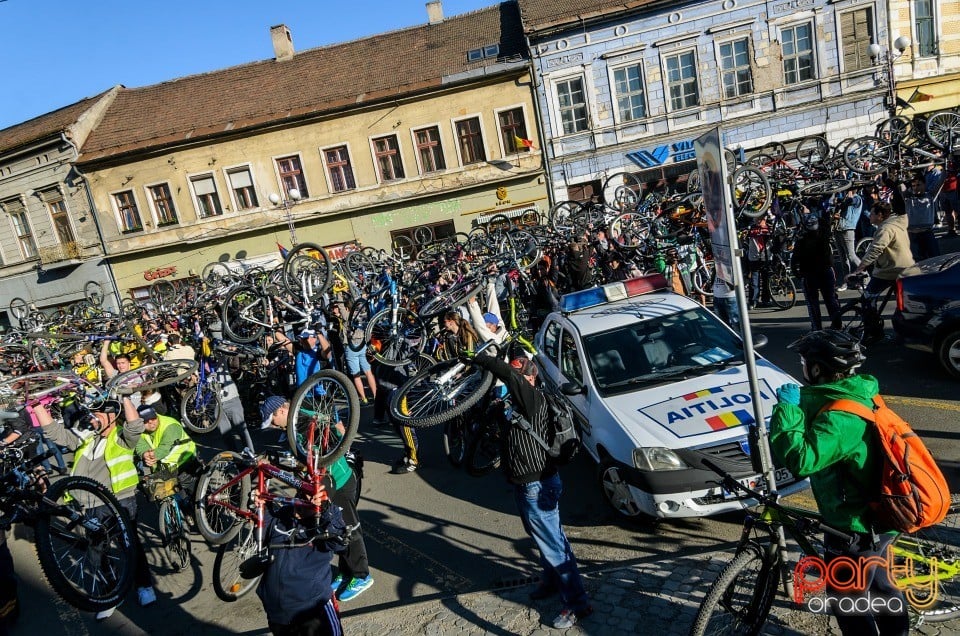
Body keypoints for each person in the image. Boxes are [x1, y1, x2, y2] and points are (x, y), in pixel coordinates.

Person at [769, 330, 908, 636]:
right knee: (883, 588)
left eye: (805, 361)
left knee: (848, 602)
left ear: (817, 368)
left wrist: (787, 411)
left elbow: (804, 459)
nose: (802, 366)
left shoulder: (840, 419)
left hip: (853, 526)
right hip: (877, 518)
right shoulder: (857, 393)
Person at [469, 353, 592, 630]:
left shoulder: (534, 399)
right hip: (527, 485)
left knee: (554, 547)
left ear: (531, 377)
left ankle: (577, 604)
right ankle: (550, 581)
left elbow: (510, 377)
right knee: (549, 540)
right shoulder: (516, 402)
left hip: (538, 485)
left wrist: (486, 360)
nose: (515, 381)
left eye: (521, 375)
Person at [34, 397, 156, 619]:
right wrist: (36, 406)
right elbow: (55, 433)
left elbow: (135, 424)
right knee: (96, 550)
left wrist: (125, 396)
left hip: (119, 501)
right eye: (93, 412)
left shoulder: (122, 438)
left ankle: (144, 586)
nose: (94, 416)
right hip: (89, 504)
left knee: (130, 546)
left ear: (112, 417)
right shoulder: (87, 437)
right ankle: (110, 594)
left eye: (100, 413)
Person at [261, 396, 374, 602]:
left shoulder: (307, 419)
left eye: (272, 420)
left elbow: (340, 432)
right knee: (332, 527)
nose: (273, 426)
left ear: (281, 411)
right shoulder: (292, 427)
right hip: (321, 482)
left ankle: (362, 575)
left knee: (348, 527)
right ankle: (346, 571)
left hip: (339, 480)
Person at [255, 485, 349, 635]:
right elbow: (261, 534)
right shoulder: (280, 515)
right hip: (278, 614)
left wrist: (326, 509)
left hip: (314, 613)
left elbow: (339, 541)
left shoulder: (323, 523)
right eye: (303, 494)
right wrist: (260, 507)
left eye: (312, 497)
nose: (307, 500)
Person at [847, 201, 916, 342]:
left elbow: (875, 249)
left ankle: (874, 332)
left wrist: (859, 269)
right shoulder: (898, 222)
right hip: (906, 267)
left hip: (890, 270)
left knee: (868, 298)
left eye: (872, 213)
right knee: (904, 302)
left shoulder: (884, 229)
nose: (869, 216)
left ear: (880, 215)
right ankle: (903, 332)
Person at [134, 404, 200, 501]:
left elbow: (165, 448)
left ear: (156, 415)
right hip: (166, 470)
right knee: (177, 499)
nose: (151, 423)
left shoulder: (170, 425)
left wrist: (152, 456)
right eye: (146, 421)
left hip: (185, 464)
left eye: (153, 418)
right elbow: (140, 446)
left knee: (197, 496)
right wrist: (144, 454)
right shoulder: (139, 431)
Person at [792, 208, 842, 331]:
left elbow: (795, 259)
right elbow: (825, 222)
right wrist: (812, 215)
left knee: (813, 303)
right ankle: (837, 325)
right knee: (831, 300)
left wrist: (798, 274)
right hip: (826, 270)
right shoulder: (824, 234)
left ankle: (817, 328)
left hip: (809, 274)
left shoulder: (801, 240)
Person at [899, 172, 941, 261]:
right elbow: (901, 185)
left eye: (918, 185)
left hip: (927, 233)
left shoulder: (930, 196)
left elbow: (940, 182)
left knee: (935, 260)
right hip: (912, 235)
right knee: (917, 262)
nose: (916, 187)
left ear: (924, 185)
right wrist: (899, 174)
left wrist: (945, 167)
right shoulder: (908, 198)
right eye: (913, 185)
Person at [834, 189, 863, 289]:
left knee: (851, 256)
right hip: (838, 228)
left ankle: (867, 278)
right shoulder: (845, 198)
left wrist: (849, 195)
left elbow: (850, 202)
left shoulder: (857, 199)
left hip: (848, 228)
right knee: (843, 258)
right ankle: (846, 282)